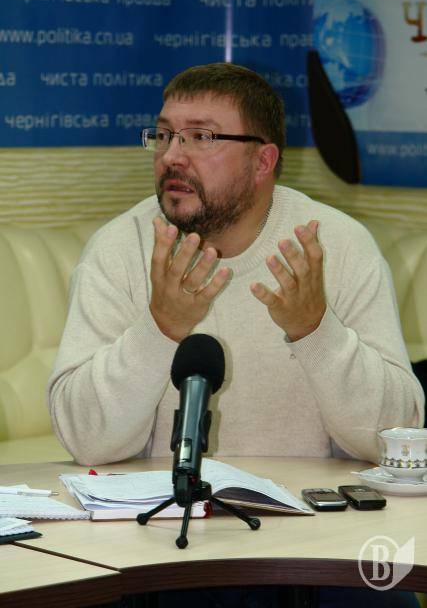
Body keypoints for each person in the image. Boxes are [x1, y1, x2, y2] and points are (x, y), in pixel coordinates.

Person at [47, 63, 423, 607]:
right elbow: (86, 440)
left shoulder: (335, 246)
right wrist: (159, 329)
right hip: (161, 544)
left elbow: (396, 438)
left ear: (262, 161)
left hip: (317, 543)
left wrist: (316, 331)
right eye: (164, 135)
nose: (173, 156)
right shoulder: (120, 249)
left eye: (201, 137)